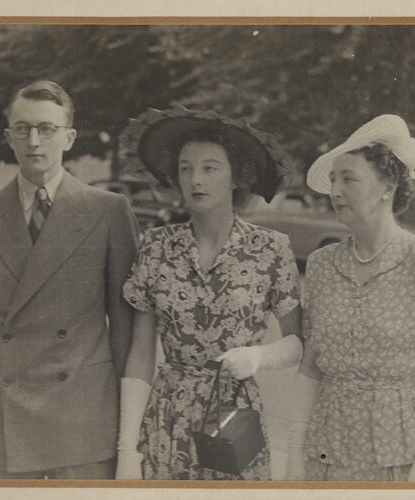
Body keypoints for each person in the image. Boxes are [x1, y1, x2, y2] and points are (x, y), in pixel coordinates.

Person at [0, 80, 139, 479]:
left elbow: (125, 334)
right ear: (8, 138)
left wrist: (130, 441)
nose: (34, 140)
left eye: (47, 129)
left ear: (68, 137)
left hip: (85, 427)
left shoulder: (108, 210)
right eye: (23, 128)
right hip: (2, 427)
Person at [115, 106, 303, 480]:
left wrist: (259, 355)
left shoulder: (270, 249)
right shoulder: (156, 247)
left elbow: (299, 343)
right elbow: (139, 355)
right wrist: (126, 452)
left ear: (237, 176)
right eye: (185, 168)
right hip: (166, 421)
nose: (195, 180)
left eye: (209, 167)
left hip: (235, 418)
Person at [285, 114, 415, 481]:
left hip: (400, 454)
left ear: (387, 185)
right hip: (327, 452)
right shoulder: (322, 264)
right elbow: (310, 366)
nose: (335, 191)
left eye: (348, 179)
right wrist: (293, 454)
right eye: (333, 180)